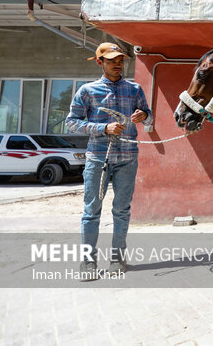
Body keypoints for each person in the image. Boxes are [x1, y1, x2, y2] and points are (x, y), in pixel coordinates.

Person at [66, 42, 152, 280]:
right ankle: (88, 263)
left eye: (121, 60)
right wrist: (104, 127)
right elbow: (72, 122)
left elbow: (148, 115)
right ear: (99, 62)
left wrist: (143, 115)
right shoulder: (87, 91)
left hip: (127, 158)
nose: (117, 64)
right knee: (91, 211)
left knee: (122, 210)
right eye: (112, 60)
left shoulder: (134, 89)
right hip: (97, 158)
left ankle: (117, 259)